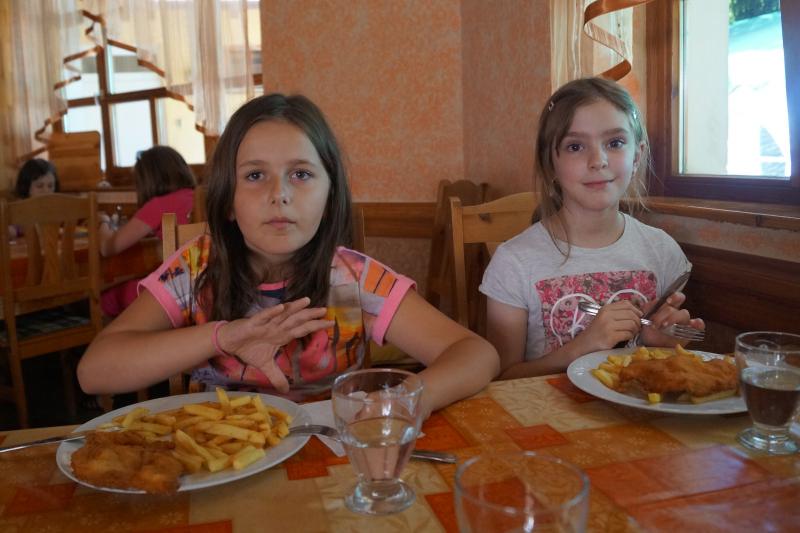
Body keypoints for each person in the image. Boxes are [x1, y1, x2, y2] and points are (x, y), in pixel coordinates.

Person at [78, 93, 499, 417]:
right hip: (218, 457)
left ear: (330, 196)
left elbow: (475, 353)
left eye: (300, 174)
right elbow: (94, 371)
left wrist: (405, 399)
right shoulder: (195, 269)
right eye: (255, 175)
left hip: (328, 456)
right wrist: (223, 336)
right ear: (228, 201)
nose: (278, 194)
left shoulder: (351, 277)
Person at [481, 77, 705, 379]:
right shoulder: (513, 263)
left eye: (615, 143)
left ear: (637, 155)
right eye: (575, 146)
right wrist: (582, 347)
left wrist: (663, 344)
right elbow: (501, 379)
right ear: (550, 164)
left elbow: (666, 367)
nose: (598, 160)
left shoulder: (662, 251)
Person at [99, 145, 196, 317]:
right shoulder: (199, 196)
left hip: (179, 293)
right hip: (209, 285)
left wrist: (102, 221)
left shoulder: (159, 205)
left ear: (147, 181)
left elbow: (108, 247)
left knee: (107, 297)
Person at [7, 158, 60, 238]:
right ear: (26, 187)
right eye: (39, 186)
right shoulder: (19, 209)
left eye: (50, 186)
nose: (46, 191)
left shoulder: (57, 206)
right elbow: (12, 230)